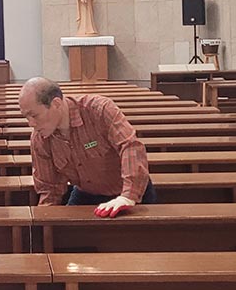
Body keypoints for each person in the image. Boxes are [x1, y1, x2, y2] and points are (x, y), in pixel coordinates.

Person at [18, 77, 155, 218]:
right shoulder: (40, 138)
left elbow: (130, 146)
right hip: (86, 193)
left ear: (56, 104)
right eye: (26, 117)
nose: (31, 123)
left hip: (129, 192)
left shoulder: (99, 110)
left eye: (34, 115)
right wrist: (46, 218)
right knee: (66, 230)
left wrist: (128, 196)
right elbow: (50, 189)